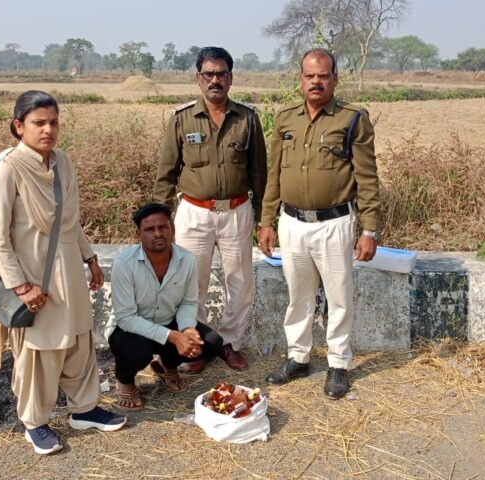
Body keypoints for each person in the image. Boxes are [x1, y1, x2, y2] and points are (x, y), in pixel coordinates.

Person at [0, 91, 126, 455]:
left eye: (53, 122)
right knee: (41, 351)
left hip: (69, 271)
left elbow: (69, 220)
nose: (48, 130)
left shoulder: (63, 162)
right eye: (39, 123)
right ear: (19, 126)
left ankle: (84, 409)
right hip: (34, 279)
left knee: (78, 340)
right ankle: (35, 422)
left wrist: (90, 258)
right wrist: (20, 287)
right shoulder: (7, 169)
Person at [258, 49, 381, 400]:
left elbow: (367, 178)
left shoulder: (352, 119)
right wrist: (267, 221)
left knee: (339, 298)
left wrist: (369, 229)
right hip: (292, 223)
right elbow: (274, 175)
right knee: (298, 297)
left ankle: (338, 364)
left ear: (335, 79)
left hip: (334, 223)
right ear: (301, 80)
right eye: (310, 76)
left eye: (323, 76)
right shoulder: (286, 119)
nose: (316, 82)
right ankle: (298, 357)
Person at [154, 46, 267, 373]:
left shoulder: (247, 118)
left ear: (231, 78)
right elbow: (166, 173)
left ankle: (230, 343)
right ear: (198, 78)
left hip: (237, 212)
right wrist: (158, 221)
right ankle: (197, 348)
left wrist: (265, 220)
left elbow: (260, 174)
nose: (214, 80)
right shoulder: (182, 118)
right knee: (192, 286)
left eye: (221, 74)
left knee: (240, 284)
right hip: (194, 213)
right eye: (208, 74)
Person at [107, 203, 224, 410]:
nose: (158, 234)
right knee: (136, 352)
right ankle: (125, 380)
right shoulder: (124, 263)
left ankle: (166, 366)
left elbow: (188, 302)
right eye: (149, 229)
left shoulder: (187, 259)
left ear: (172, 229)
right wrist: (173, 336)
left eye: (163, 227)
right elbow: (126, 318)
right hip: (131, 330)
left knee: (212, 342)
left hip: (169, 322)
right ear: (138, 234)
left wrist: (187, 329)